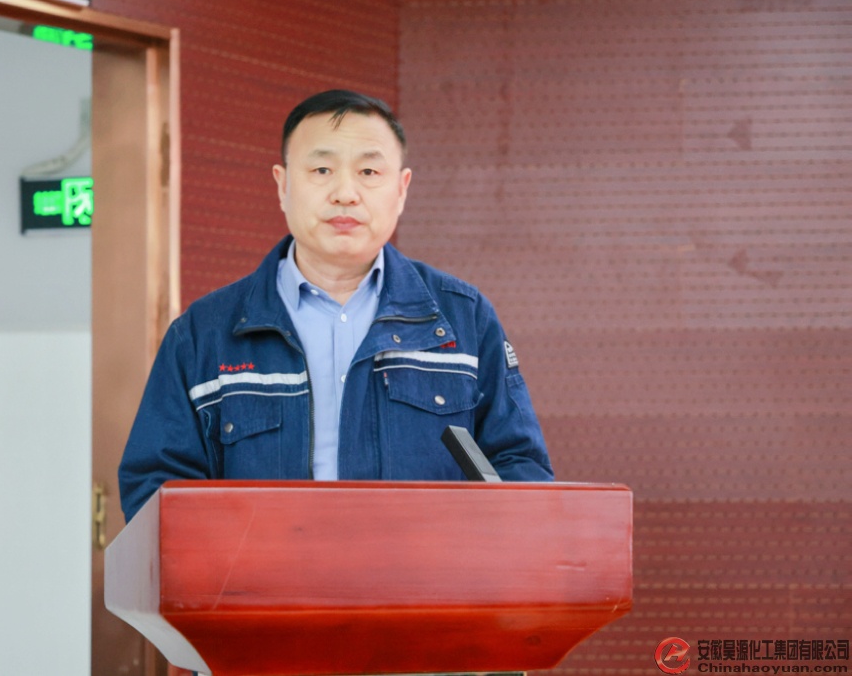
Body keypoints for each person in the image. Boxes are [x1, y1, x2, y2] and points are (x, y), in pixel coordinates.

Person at [118, 89, 553, 522]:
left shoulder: (464, 320)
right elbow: (156, 490)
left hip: (424, 570)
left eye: (368, 171)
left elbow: (518, 469)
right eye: (322, 169)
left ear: (401, 189)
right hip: (263, 570)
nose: (345, 193)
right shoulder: (204, 333)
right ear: (283, 186)